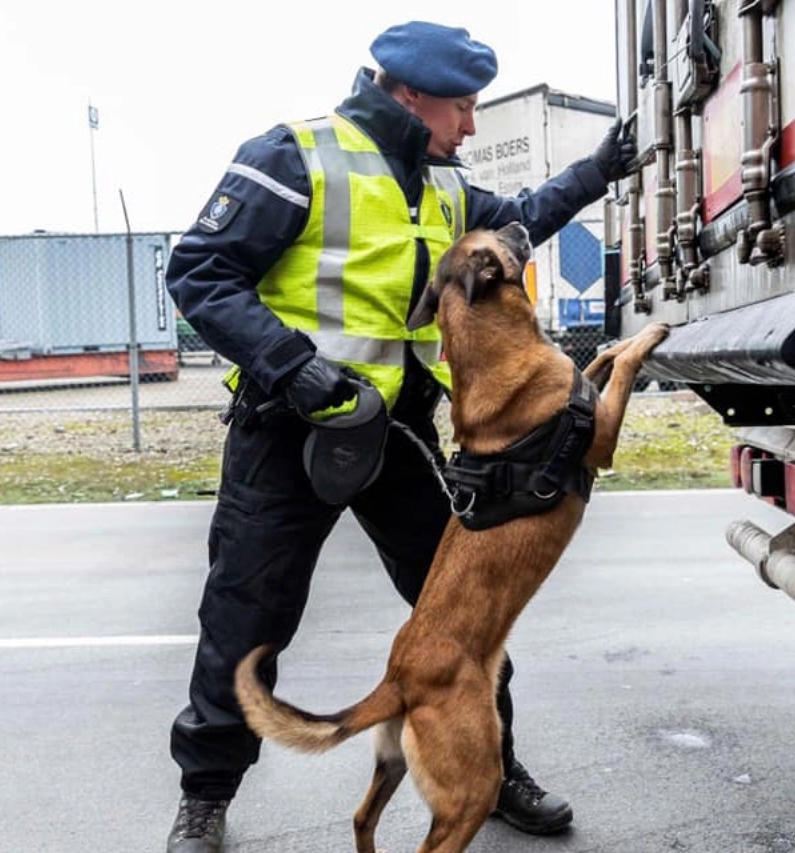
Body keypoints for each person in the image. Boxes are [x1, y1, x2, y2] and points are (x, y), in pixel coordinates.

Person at [163, 20, 637, 852]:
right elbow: (199, 270)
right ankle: (204, 796)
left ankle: (492, 767)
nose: (472, 126)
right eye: (462, 107)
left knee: (467, 612)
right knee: (245, 613)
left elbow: (521, 219)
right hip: (288, 432)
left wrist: (598, 171)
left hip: (403, 438)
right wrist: (292, 365)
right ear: (408, 94)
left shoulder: (445, 186)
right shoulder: (294, 154)